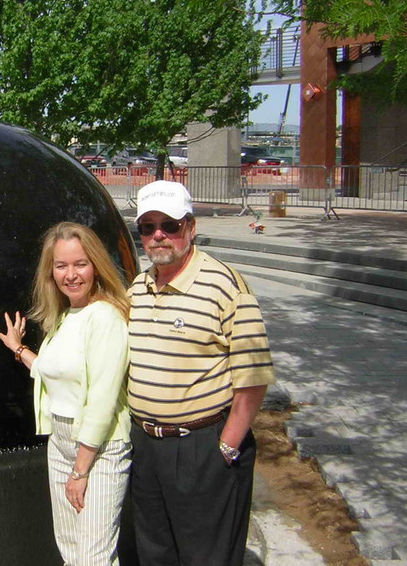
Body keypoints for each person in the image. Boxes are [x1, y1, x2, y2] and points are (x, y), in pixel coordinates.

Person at [127, 181, 275, 566]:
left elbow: (253, 376)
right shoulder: (137, 290)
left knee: (207, 557)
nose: (159, 235)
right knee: (155, 553)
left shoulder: (226, 285)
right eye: (148, 227)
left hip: (202, 446)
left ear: (190, 228)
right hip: (146, 447)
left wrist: (226, 445)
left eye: (169, 225)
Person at [0, 221, 132, 566]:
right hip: (60, 439)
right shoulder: (66, 316)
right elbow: (53, 371)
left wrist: (80, 470)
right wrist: (19, 349)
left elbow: (102, 399)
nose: (71, 274)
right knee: (70, 547)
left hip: (97, 447)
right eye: (61, 266)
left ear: (96, 266)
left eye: (80, 264)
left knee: (94, 555)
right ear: (51, 272)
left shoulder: (105, 317)